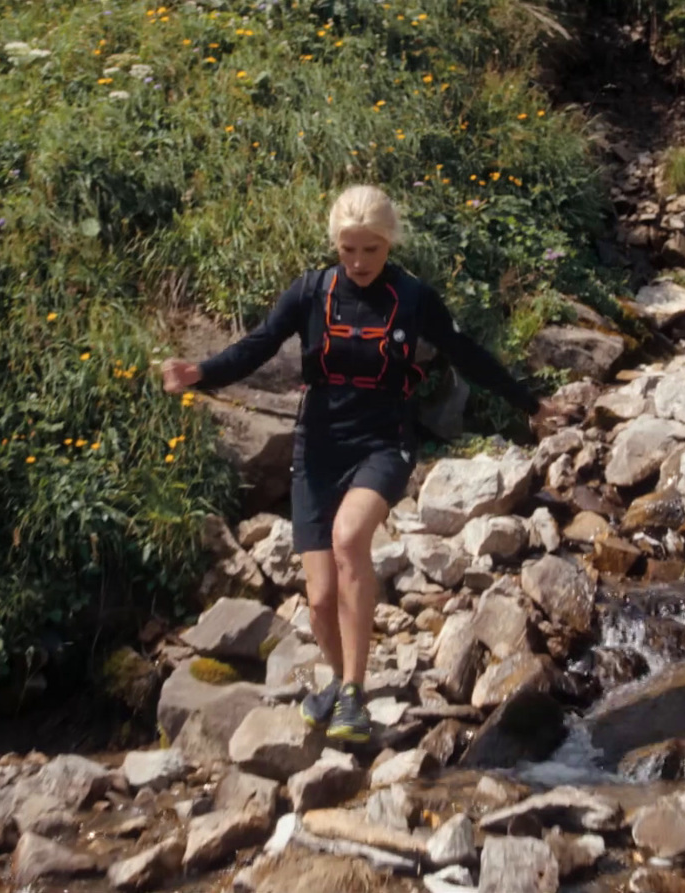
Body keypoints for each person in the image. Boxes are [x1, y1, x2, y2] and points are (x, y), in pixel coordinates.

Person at [161, 184, 558, 744]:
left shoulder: (414, 299)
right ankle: (338, 682)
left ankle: (352, 691)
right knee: (319, 597)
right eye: (348, 249)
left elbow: (465, 353)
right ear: (335, 244)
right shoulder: (311, 291)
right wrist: (200, 371)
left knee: (351, 539)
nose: (359, 262)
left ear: (388, 242)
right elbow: (259, 344)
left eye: (370, 249)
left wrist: (532, 402)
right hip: (317, 447)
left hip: (384, 440)